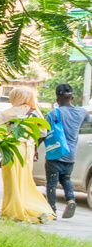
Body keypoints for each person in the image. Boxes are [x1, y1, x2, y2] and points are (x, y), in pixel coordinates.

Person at [0, 87, 57, 224]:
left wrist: (1, 136)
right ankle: (34, 209)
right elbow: (43, 133)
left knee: (11, 180)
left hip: (10, 149)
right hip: (26, 151)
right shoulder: (34, 114)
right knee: (25, 180)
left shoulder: (8, 112)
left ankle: (12, 211)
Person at [44, 83, 89, 218]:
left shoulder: (53, 113)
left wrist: (34, 148)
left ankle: (52, 210)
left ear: (57, 98)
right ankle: (70, 200)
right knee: (66, 179)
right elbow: (87, 123)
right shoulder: (82, 112)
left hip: (55, 153)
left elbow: (44, 132)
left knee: (52, 182)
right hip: (71, 154)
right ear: (72, 97)